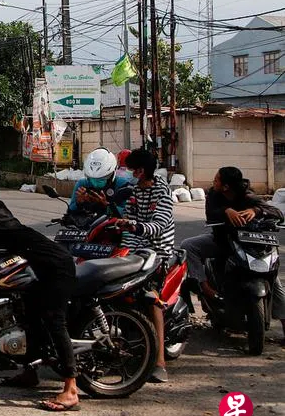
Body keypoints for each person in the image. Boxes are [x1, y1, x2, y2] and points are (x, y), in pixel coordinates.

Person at [0, 167, 80, 412]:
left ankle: (71, 388)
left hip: (54, 267)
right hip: (39, 267)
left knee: (54, 320)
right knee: (26, 314)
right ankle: (30, 373)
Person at [180, 166, 285, 340]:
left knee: (274, 280)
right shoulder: (213, 195)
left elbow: (277, 213)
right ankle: (205, 287)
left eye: (216, 180)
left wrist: (256, 211)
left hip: (251, 246)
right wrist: (226, 211)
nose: (213, 182)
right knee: (188, 245)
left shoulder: (248, 196)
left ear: (226, 186)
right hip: (222, 241)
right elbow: (211, 214)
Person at [116, 148, 175, 383]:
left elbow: (159, 226)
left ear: (141, 171)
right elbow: (128, 224)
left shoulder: (162, 192)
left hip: (158, 251)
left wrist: (134, 227)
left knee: (151, 298)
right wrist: (124, 252)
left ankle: (160, 362)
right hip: (136, 251)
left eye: (131, 170)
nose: (129, 174)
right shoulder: (134, 191)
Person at [67, 147, 133, 216]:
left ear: (112, 174)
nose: (96, 184)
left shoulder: (122, 185)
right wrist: (79, 203)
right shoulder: (82, 184)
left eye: (102, 179)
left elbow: (127, 213)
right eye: (92, 179)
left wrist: (105, 205)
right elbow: (71, 210)